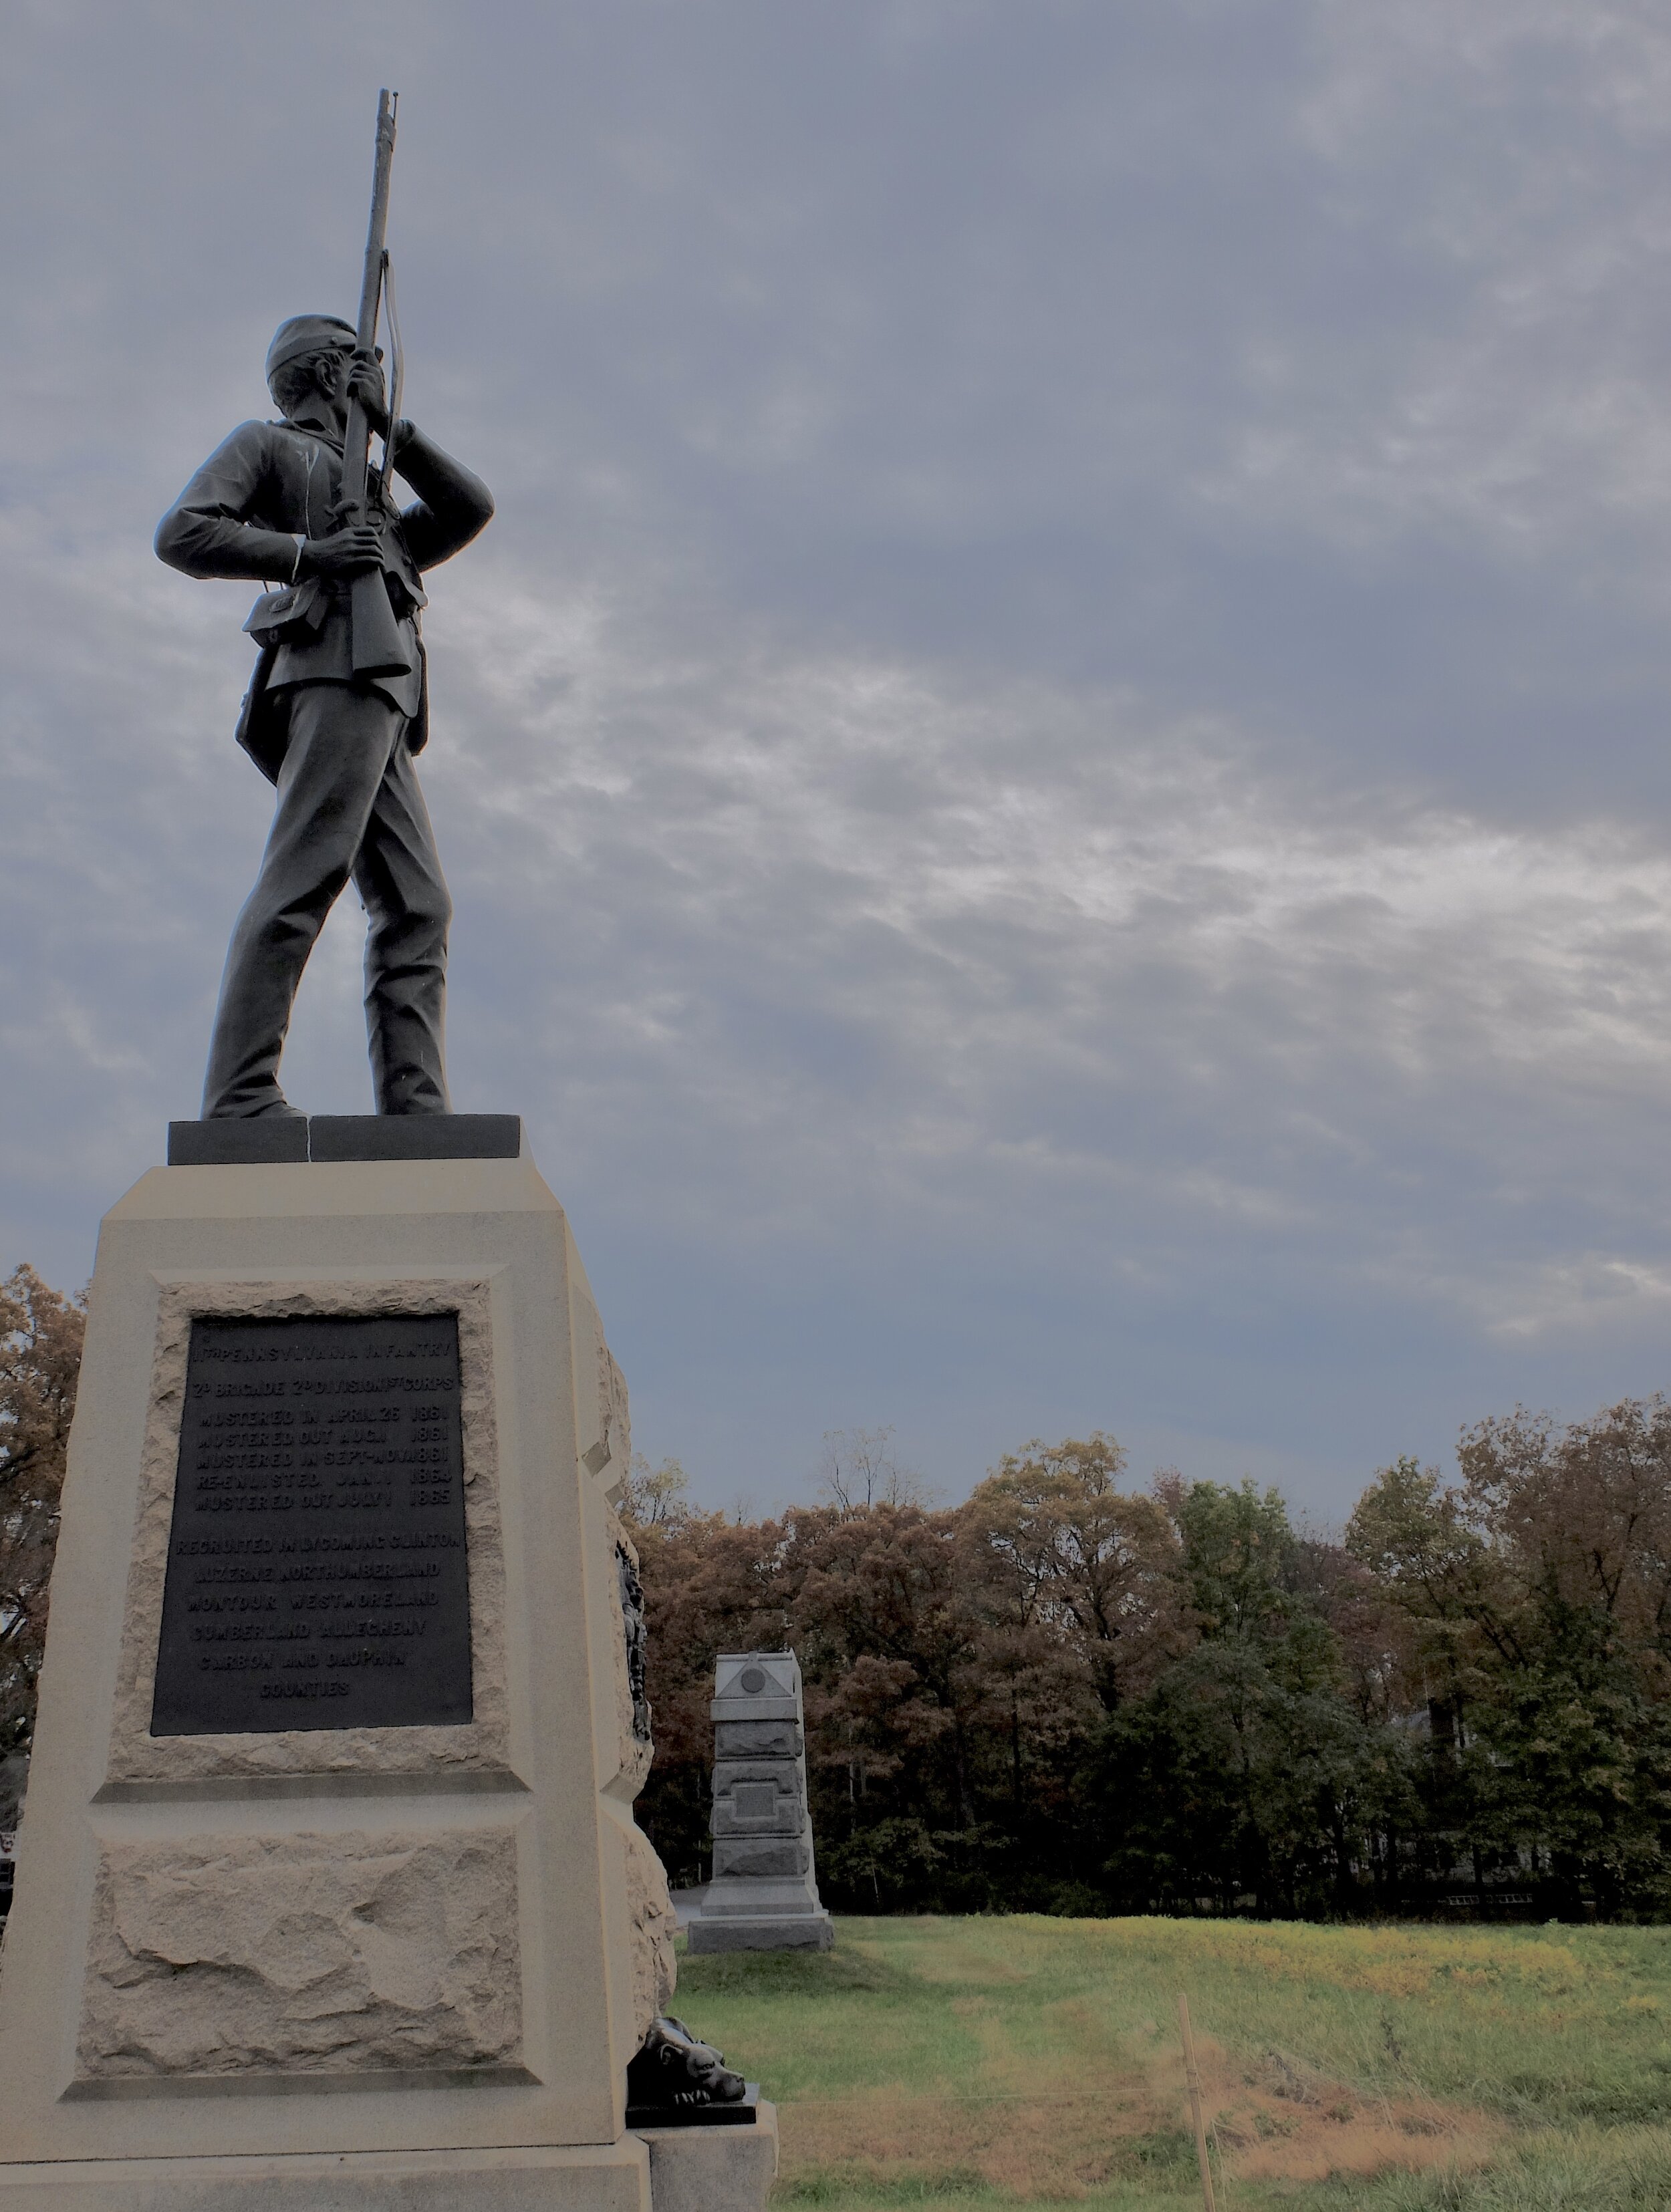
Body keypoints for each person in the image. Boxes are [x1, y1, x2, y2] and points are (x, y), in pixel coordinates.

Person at [155, 314, 494, 1119]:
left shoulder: (374, 488)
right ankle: (239, 1094)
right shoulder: (267, 446)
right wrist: (310, 556)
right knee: (305, 874)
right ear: (317, 374)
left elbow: (469, 508)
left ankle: (415, 1108)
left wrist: (395, 430)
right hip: (330, 672)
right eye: (353, 362)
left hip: (384, 689)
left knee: (418, 906)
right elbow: (184, 532)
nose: (368, 371)